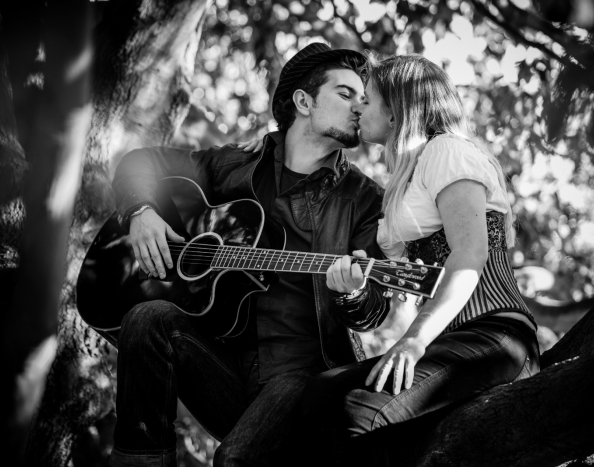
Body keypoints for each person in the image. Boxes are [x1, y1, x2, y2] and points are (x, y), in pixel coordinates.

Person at [107, 43, 389, 467]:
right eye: (345, 94)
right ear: (304, 101)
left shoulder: (364, 199)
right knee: (148, 320)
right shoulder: (233, 166)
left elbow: (374, 311)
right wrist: (140, 211)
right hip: (225, 365)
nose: (359, 108)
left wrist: (353, 293)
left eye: (362, 98)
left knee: (234, 460)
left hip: (305, 376)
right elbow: (140, 163)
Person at [314, 54, 541, 464]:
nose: (359, 107)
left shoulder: (447, 152)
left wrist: (414, 341)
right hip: (452, 341)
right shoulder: (405, 182)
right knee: (319, 393)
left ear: (398, 109)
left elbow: (470, 253)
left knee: (358, 408)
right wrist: (352, 293)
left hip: (495, 335)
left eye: (369, 98)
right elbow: (382, 302)